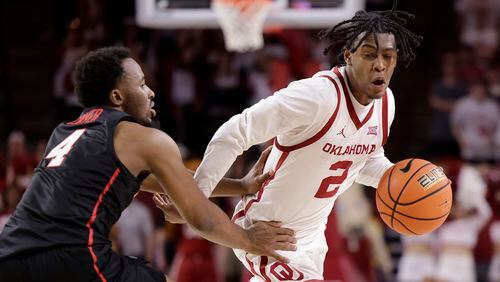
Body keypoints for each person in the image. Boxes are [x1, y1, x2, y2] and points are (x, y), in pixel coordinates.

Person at [156, 2, 423, 281]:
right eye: (369, 55)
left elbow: (362, 160)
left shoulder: (385, 104)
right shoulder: (316, 97)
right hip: (267, 232)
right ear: (348, 57)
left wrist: (400, 179)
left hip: (311, 241)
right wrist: (194, 201)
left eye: (388, 57)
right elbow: (235, 131)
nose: (380, 64)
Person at [0, 47, 296, 282]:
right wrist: (249, 239)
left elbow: (176, 181)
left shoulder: (65, 132)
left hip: (10, 256)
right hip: (72, 256)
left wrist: (240, 186)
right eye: (141, 84)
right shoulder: (143, 139)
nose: (151, 91)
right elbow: (201, 220)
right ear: (117, 96)